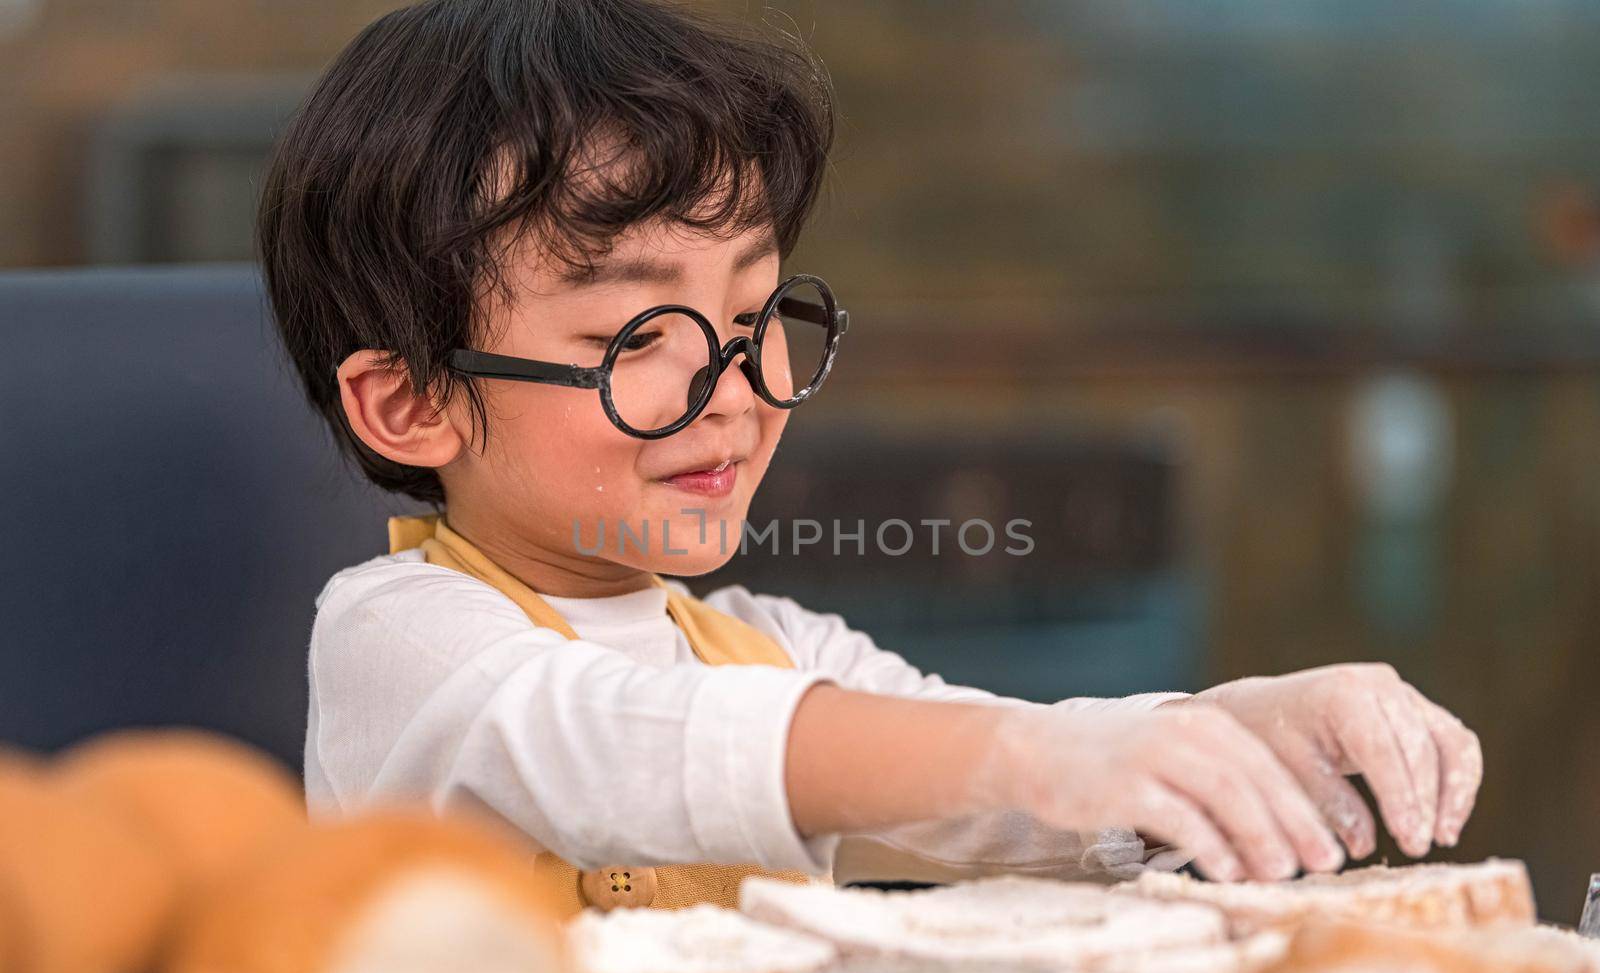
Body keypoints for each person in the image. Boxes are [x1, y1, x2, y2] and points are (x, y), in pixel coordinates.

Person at [259, 0, 1482, 912]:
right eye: (638, 333)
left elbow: (1001, 793)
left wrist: (1245, 727)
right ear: (412, 405)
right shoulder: (400, 640)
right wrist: (1042, 756)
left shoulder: (780, 651)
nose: (732, 390)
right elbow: (634, 739)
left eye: (752, 321)